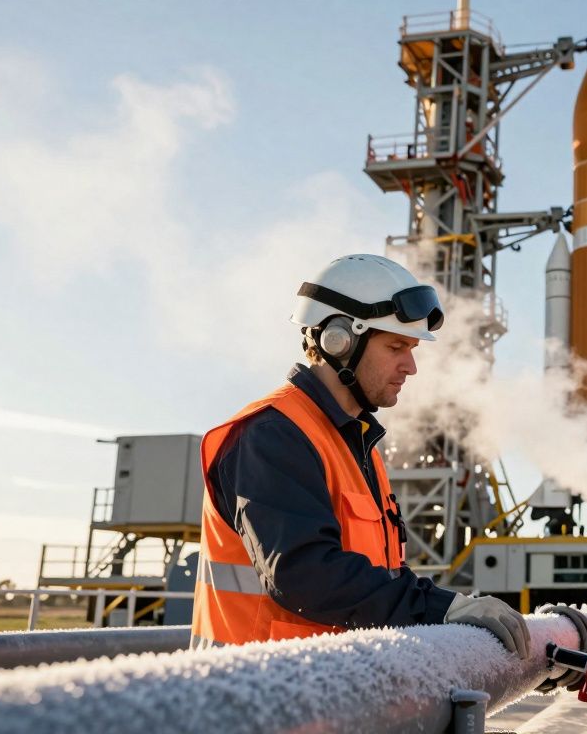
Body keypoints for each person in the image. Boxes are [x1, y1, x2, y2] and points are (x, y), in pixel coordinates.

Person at [190, 253, 530, 660]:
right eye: (396, 347)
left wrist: (449, 607)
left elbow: (381, 577)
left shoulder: (356, 444)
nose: (411, 366)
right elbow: (304, 573)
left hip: (333, 695)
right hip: (257, 699)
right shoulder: (270, 435)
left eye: (413, 348)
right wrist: (443, 609)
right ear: (339, 340)